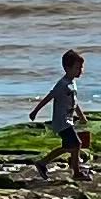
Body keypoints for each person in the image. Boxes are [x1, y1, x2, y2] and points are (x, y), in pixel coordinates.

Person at [29, 48, 91, 186]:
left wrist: (81, 116)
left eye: (81, 67)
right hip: (61, 122)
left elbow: (74, 102)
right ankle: (76, 173)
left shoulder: (72, 82)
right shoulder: (62, 84)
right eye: (77, 67)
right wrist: (35, 111)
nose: (80, 70)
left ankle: (43, 163)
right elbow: (49, 97)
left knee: (70, 146)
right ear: (67, 68)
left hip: (68, 120)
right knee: (76, 144)